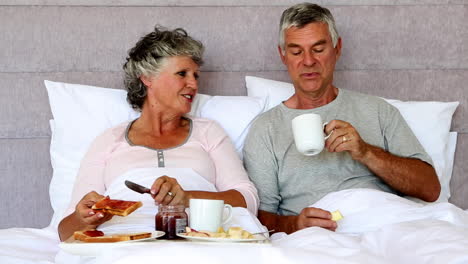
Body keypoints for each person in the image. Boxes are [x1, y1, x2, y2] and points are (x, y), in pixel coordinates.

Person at [243, 3, 440, 234]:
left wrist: (366, 152)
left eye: (318, 49)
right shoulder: (266, 129)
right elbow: (259, 217)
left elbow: (430, 188)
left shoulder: (378, 110)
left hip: (388, 224)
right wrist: (294, 225)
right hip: (319, 235)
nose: (308, 61)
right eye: (296, 52)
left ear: (337, 49)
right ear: (283, 55)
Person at [58, 26, 259, 241]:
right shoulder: (109, 140)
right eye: (182, 73)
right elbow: (65, 231)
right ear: (147, 78)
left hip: (199, 238)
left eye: (195, 76)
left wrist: (188, 197)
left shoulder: (209, 132)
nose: (193, 84)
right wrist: (84, 218)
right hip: (126, 241)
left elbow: (247, 199)